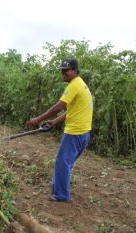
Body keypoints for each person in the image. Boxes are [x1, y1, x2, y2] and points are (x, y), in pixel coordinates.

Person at [27, 58, 93, 202]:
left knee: (62, 162)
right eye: (62, 70)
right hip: (84, 133)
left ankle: (61, 195)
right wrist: (55, 121)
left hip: (75, 132)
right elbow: (73, 110)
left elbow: (59, 106)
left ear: (75, 71)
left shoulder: (74, 85)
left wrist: (37, 119)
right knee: (65, 163)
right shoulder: (81, 84)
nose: (63, 73)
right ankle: (58, 186)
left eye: (66, 70)